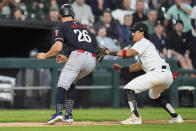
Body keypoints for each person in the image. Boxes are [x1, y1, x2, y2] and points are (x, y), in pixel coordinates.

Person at [105, 23, 183, 124]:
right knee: (154, 95)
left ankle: (135, 117)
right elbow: (137, 67)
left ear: (142, 33)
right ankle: (176, 117)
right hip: (167, 75)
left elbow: (128, 53)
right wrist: (121, 68)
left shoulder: (143, 42)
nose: (132, 34)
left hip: (157, 73)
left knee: (129, 88)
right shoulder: (147, 46)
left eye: (134, 31)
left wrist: (108, 52)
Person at [37, 4, 97, 125]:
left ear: (60, 15)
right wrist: (68, 59)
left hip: (78, 57)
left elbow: (58, 47)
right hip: (91, 60)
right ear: (72, 14)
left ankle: (58, 113)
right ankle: (68, 114)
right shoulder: (83, 27)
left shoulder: (61, 26)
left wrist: (46, 55)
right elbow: (84, 46)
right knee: (70, 83)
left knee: (62, 84)